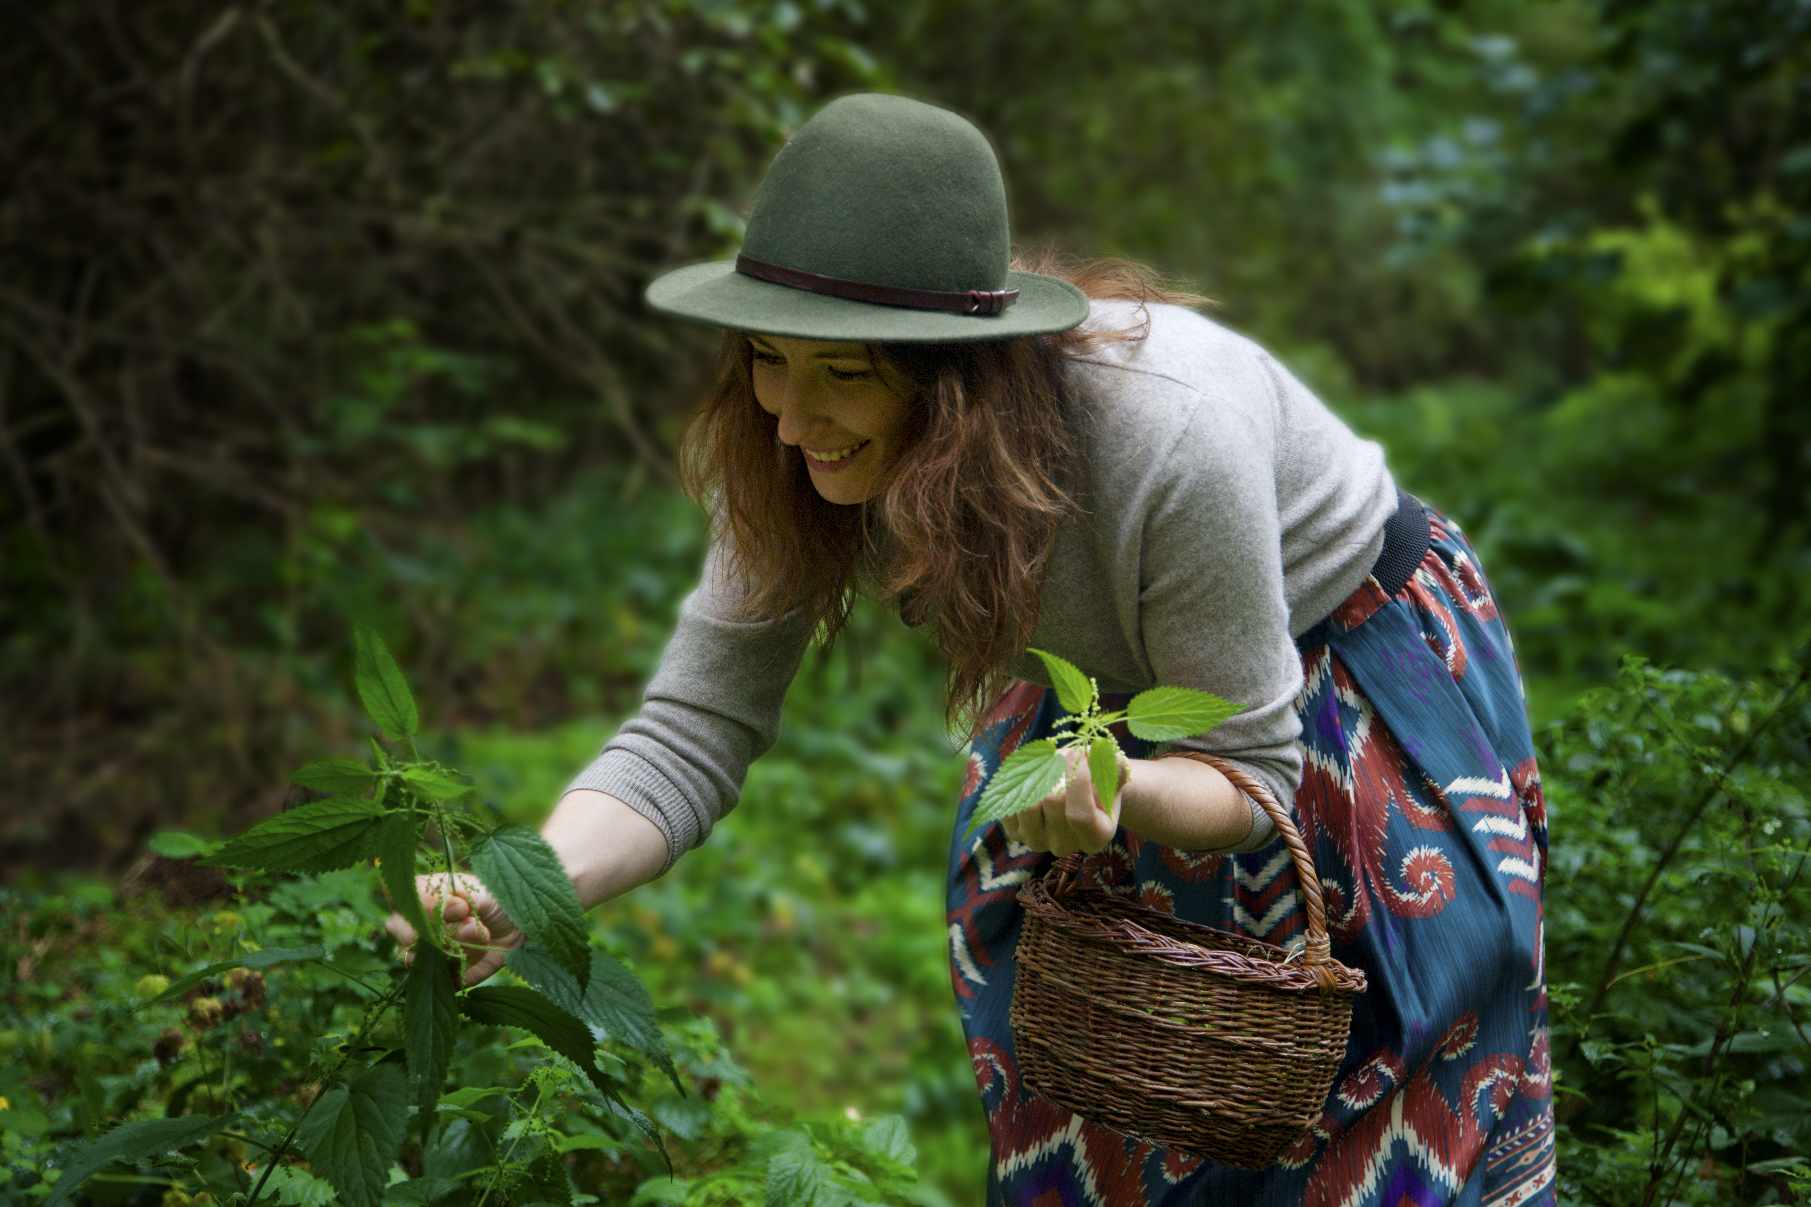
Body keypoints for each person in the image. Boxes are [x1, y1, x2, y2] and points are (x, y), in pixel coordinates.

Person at [387, 93, 1555, 1205]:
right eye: (768, 356)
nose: (791, 416)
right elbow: (695, 727)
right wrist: (528, 887)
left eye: (844, 370)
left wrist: (1118, 788)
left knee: (1349, 1100)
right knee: (1095, 1094)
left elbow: (1252, 771)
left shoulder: (1168, 435)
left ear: (961, 383)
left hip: (1331, 684)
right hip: (1100, 722)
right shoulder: (788, 444)